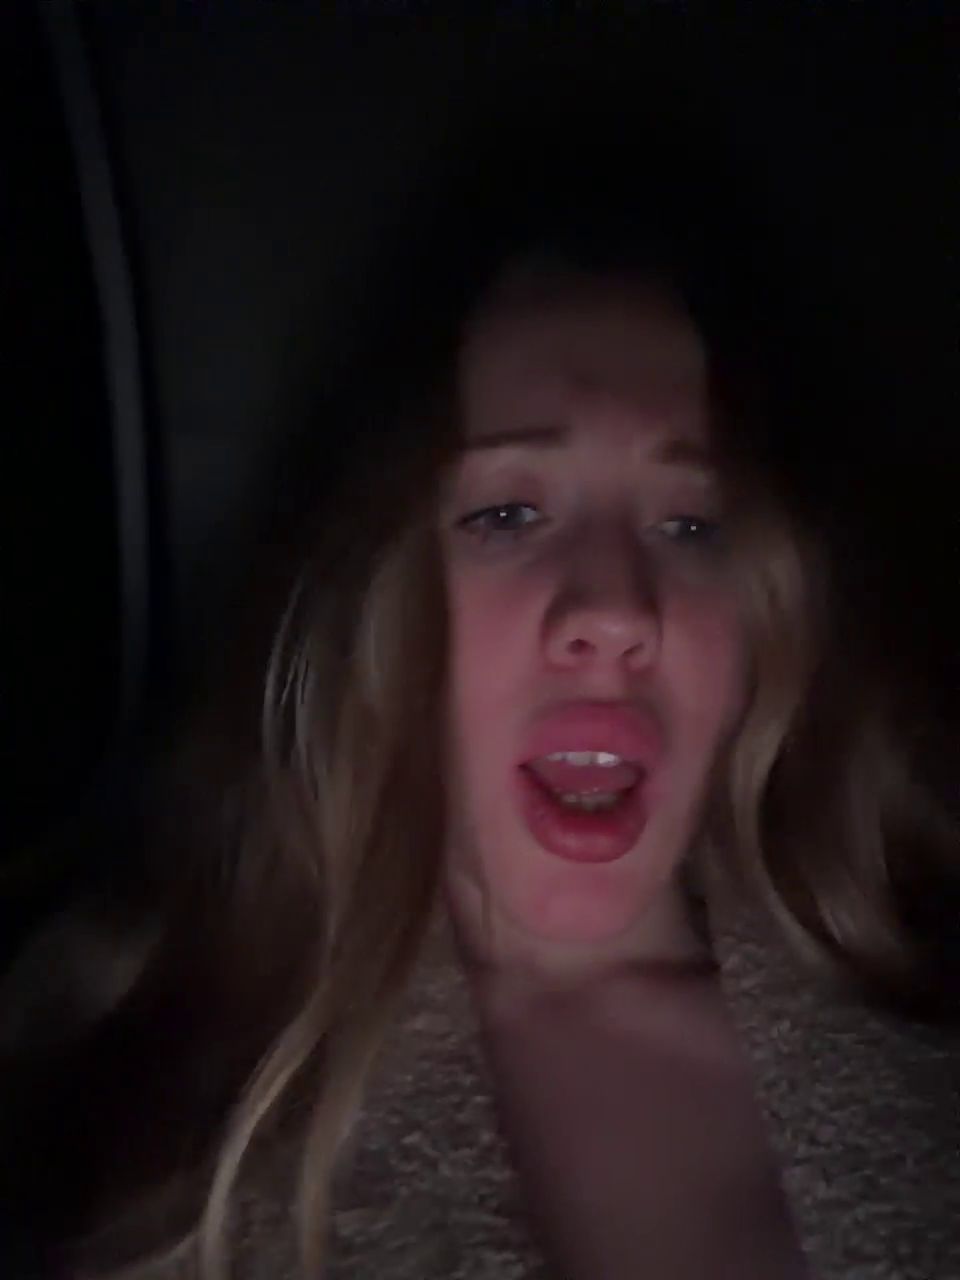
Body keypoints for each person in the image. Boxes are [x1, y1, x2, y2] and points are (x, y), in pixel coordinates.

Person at [5, 203, 958, 1280]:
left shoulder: (921, 1027)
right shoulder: (136, 1097)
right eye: (507, 515)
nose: (614, 609)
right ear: (374, 597)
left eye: (692, 525)